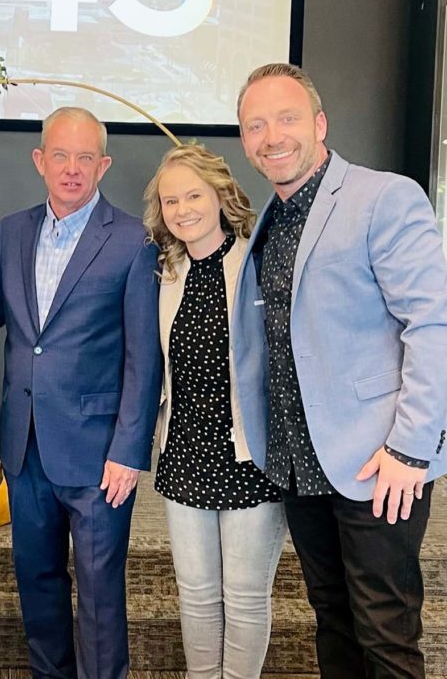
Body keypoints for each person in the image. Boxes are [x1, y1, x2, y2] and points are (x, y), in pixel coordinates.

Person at [231, 62, 447, 678]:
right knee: (332, 618)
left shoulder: (384, 197)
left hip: (379, 461)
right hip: (299, 463)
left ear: (320, 123)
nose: (272, 135)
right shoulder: (271, 219)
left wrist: (410, 450)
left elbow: (433, 326)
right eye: (255, 125)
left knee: (386, 634)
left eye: (287, 117)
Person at [0, 106, 162, 679]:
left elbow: (143, 357)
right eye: (60, 155)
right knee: (36, 582)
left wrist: (130, 451)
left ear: (104, 164)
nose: (71, 169)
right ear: (40, 160)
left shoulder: (134, 240)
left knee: (99, 593)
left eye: (85, 157)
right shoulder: (10, 232)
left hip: (98, 454)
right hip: (25, 445)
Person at [143, 144, 286, 678]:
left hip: (249, 455)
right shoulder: (166, 268)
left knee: (245, 597)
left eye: (194, 195)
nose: (183, 210)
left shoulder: (258, 257)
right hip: (184, 454)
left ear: (221, 194)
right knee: (197, 596)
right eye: (171, 200)